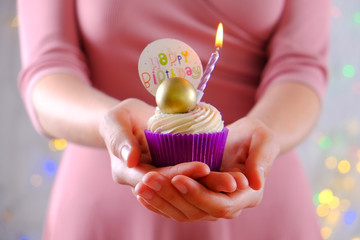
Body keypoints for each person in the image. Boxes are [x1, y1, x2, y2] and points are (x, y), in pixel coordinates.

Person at [17, 0, 330, 239]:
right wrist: (110, 123)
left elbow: (300, 67)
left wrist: (264, 134)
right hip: (109, 195)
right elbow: (48, 70)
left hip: (252, 180)